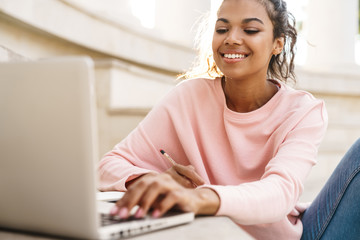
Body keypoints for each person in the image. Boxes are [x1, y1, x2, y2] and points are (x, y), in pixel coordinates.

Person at [98, 0, 360, 239]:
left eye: (250, 30)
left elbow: (280, 192)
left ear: (277, 43)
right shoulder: (188, 97)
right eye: (222, 29)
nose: (232, 39)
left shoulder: (303, 111)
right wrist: (151, 181)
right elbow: (108, 165)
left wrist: (202, 198)